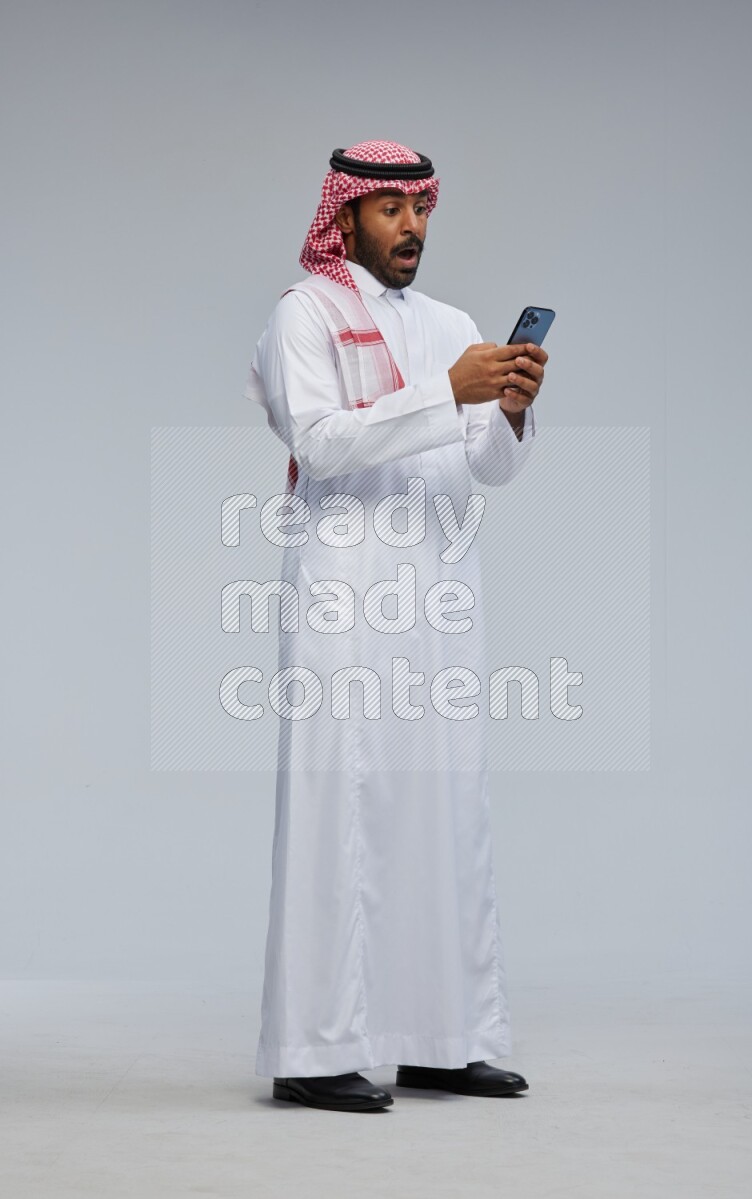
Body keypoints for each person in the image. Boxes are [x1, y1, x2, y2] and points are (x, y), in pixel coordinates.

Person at [243, 140, 548, 1112]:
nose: (411, 227)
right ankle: (313, 1046)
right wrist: (444, 393)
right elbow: (321, 441)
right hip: (342, 593)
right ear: (341, 220)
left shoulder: (453, 326)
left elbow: (486, 471)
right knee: (338, 813)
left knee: (446, 814)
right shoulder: (304, 317)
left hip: (437, 595)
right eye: (388, 210)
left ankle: (444, 1036)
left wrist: (503, 410)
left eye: (419, 208)